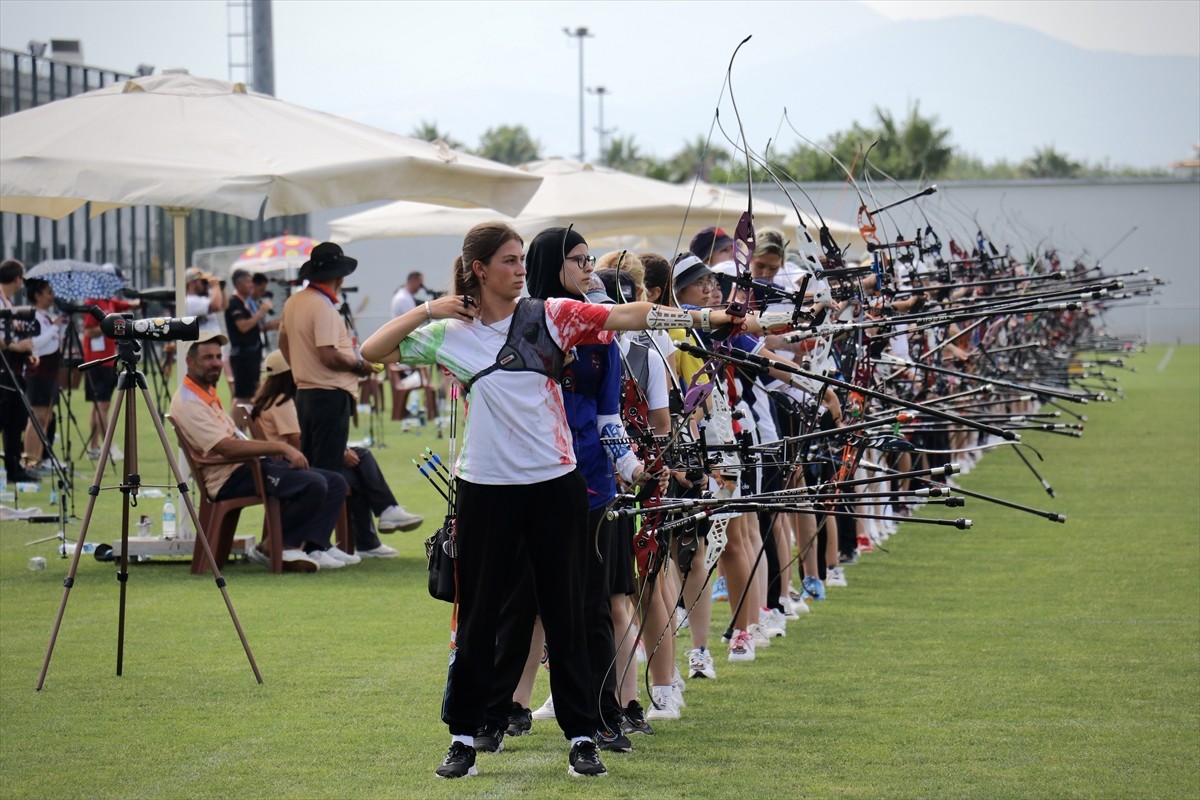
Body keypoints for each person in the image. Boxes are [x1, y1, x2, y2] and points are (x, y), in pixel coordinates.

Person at [360, 221, 763, 780]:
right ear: (478, 269)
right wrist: (431, 309)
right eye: (507, 260)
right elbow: (370, 351)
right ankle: (463, 735)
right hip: (485, 489)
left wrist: (706, 319)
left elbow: (628, 316)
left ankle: (581, 734)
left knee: (569, 612)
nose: (519, 267)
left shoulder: (549, 314)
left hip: (555, 485)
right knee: (480, 617)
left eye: (522, 258)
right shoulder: (452, 333)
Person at [169, 331, 352, 572]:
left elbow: (234, 439)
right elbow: (225, 447)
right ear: (190, 362)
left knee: (335, 481)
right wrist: (280, 447)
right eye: (207, 358)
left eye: (217, 357)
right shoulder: (189, 401)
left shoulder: (207, 393)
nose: (215, 363)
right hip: (229, 477)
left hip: (246, 466)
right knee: (313, 482)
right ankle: (279, 548)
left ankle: (312, 546)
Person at [279, 242, 399, 553]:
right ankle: (318, 544)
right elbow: (329, 354)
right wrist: (362, 366)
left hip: (307, 392)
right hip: (328, 394)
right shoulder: (322, 307)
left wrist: (300, 367)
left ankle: (320, 541)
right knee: (329, 471)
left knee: (319, 469)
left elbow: (283, 342)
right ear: (339, 278)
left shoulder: (295, 302)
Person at [250, 349, 422, 557]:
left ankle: (376, 529)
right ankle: (378, 521)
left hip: (293, 464)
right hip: (297, 465)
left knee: (359, 463)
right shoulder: (282, 403)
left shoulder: (270, 400)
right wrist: (338, 452)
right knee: (359, 467)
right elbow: (299, 442)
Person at [80, 271, 136, 460]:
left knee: (101, 405)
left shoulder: (107, 300)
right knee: (101, 404)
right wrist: (110, 327)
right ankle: (105, 446)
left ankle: (96, 446)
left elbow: (122, 306)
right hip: (97, 360)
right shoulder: (94, 302)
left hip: (108, 359)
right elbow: (89, 331)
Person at [19, 278, 62, 474]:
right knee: (36, 417)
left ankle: (37, 459)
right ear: (37, 295)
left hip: (50, 372)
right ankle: (28, 460)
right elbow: (34, 343)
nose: (52, 296)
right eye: (48, 292)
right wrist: (54, 328)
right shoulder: (33, 316)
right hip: (38, 372)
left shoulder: (45, 317)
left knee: (46, 417)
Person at [1, 259, 38, 482]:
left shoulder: (8, 302)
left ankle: (14, 467)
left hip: (13, 367)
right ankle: (13, 467)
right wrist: (16, 347)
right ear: (17, 278)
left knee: (15, 420)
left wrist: (25, 352)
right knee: (7, 419)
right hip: (3, 369)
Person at [224, 269, 273, 403]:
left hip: (252, 354)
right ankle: (237, 423)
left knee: (253, 392)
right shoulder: (234, 303)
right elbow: (243, 327)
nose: (252, 284)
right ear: (238, 284)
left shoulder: (246, 302)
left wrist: (268, 326)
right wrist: (261, 313)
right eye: (248, 281)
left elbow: (252, 327)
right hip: (242, 355)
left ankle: (247, 422)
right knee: (241, 396)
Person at [184, 267, 227, 341]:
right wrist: (215, 286)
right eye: (203, 282)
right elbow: (216, 306)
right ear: (191, 283)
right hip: (202, 347)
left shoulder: (203, 299)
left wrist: (221, 288)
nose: (206, 285)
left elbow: (224, 306)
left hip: (213, 345)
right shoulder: (189, 301)